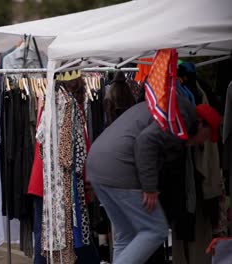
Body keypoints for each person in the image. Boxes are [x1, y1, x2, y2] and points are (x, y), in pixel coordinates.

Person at [86, 97, 221, 264]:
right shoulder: (180, 119)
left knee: (126, 233)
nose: (203, 142)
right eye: (206, 136)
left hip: (97, 164)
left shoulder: (168, 107)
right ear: (201, 124)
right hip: (119, 166)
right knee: (155, 229)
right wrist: (149, 187)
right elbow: (145, 142)